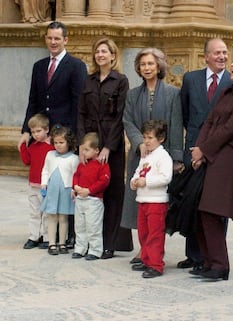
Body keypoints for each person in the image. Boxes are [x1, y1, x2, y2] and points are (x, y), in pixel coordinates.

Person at [18, 21, 87, 249]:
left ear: (66, 40)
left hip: (62, 138)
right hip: (41, 137)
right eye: (50, 38)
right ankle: (36, 234)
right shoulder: (39, 66)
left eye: (57, 38)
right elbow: (33, 100)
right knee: (41, 188)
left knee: (64, 186)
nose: (53, 42)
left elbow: (78, 104)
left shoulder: (76, 66)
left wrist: (73, 139)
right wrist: (27, 131)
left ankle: (64, 235)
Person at [189, 53, 233, 281]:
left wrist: (204, 150)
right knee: (202, 209)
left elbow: (231, 128)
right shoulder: (228, 89)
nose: (232, 64)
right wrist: (199, 149)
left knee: (212, 210)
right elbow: (209, 121)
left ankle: (220, 265)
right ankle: (209, 262)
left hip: (226, 157)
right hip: (210, 155)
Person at [121, 47, 183, 264]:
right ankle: (142, 250)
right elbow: (127, 121)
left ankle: (154, 252)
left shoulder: (173, 94)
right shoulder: (132, 95)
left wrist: (176, 158)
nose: (146, 68)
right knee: (139, 205)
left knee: (156, 209)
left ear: (159, 66)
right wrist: (139, 143)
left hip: (161, 159)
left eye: (150, 64)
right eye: (143, 64)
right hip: (140, 156)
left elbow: (175, 126)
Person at [178, 38, 232, 271]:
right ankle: (194, 255)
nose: (222, 56)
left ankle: (213, 255)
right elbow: (185, 113)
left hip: (219, 152)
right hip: (193, 149)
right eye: (217, 53)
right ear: (206, 57)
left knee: (216, 204)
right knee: (192, 200)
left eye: (225, 52)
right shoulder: (190, 79)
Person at [77, 37, 132, 259]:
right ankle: (89, 242)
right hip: (89, 143)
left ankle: (110, 243)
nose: (100, 55)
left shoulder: (121, 80)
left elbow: (121, 116)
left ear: (113, 55)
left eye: (104, 51)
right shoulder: (88, 81)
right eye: (97, 51)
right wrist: (82, 144)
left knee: (112, 193)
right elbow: (80, 113)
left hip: (112, 143)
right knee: (89, 192)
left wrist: (109, 146)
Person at [129, 120, 173, 278]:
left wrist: (146, 182)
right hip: (143, 200)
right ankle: (146, 259)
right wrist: (134, 181)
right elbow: (139, 172)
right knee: (143, 233)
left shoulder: (163, 156)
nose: (146, 141)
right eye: (144, 137)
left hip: (156, 202)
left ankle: (156, 265)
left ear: (160, 139)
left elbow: (165, 177)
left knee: (155, 234)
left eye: (150, 138)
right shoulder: (146, 156)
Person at [40, 125, 79, 256]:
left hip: (65, 191)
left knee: (63, 218)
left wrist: (74, 189)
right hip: (52, 190)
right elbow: (45, 170)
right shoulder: (50, 155)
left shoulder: (74, 158)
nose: (58, 145)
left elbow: (75, 175)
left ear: (69, 142)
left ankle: (62, 242)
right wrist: (44, 183)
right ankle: (52, 242)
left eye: (61, 142)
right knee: (52, 217)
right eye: (56, 142)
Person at [72, 132, 111, 261]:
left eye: (87, 150)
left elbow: (104, 181)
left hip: (93, 200)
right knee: (80, 225)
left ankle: (95, 250)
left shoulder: (102, 165)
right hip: (80, 199)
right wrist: (75, 186)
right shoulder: (82, 164)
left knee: (93, 226)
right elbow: (76, 175)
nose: (83, 153)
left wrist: (89, 190)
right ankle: (80, 248)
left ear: (96, 151)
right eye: (82, 150)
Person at [19, 113, 55, 250]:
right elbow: (26, 160)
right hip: (33, 185)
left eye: (38, 131)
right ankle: (33, 236)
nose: (35, 135)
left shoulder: (52, 147)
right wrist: (22, 146)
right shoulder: (33, 146)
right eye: (33, 132)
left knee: (47, 213)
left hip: (46, 185)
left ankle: (46, 237)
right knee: (34, 212)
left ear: (46, 129)